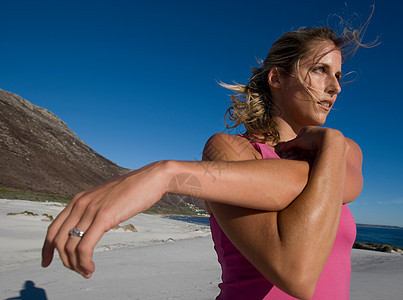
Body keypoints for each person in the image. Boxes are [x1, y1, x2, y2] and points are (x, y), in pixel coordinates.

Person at [42, 25, 367, 299]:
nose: (335, 87)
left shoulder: (342, 149)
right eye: (320, 70)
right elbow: (298, 272)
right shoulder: (230, 149)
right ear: (277, 78)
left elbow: (334, 184)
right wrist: (172, 172)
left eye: (338, 75)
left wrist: (169, 174)